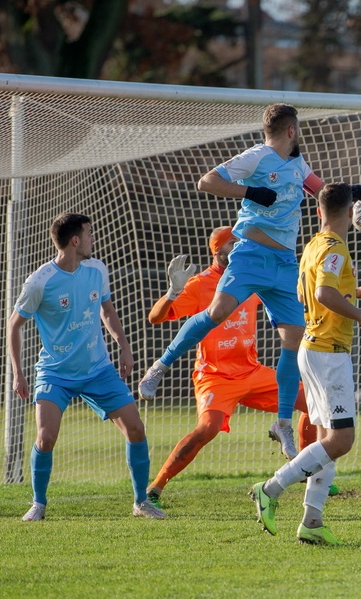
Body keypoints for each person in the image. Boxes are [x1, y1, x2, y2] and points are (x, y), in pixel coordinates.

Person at [138, 103, 324, 462]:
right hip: (252, 253)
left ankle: (283, 422)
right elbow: (207, 181)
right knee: (218, 311)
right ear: (291, 130)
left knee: (293, 341)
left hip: (285, 263)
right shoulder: (257, 157)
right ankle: (159, 367)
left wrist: (356, 198)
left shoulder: (299, 165)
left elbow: (321, 191)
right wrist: (250, 193)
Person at [143, 226, 320, 509]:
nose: (241, 247)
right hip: (215, 376)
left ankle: (307, 472)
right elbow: (155, 317)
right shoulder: (201, 284)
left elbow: (294, 295)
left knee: (313, 403)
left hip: (251, 370)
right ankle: (155, 487)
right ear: (218, 250)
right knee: (207, 429)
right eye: (234, 243)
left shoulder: (252, 273)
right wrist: (173, 293)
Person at [249, 182, 361, 544]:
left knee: (327, 438)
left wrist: (356, 290)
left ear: (318, 212)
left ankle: (312, 522)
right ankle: (271, 488)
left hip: (313, 348)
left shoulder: (313, 244)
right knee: (342, 439)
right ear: (354, 213)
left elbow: (305, 291)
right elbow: (324, 294)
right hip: (328, 351)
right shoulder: (335, 247)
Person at [7, 213, 165, 521]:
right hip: (55, 373)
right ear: (75, 241)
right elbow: (14, 326)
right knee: (46, 437)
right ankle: (38, 504)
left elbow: (106, 309)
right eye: (89, 234)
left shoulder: (96, 269)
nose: (94, 239)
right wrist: (18, 372)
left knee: (136, 428)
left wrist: (124, 346)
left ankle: (140, 501)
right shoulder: (40, 282)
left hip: (99, 371)